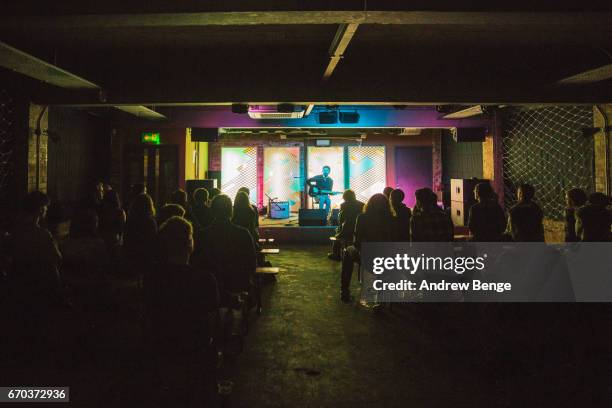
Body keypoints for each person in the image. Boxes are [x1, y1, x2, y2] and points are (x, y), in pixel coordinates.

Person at [144, 216, 219, 406]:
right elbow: (211, 319)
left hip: (161, 345)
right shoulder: (204, 279)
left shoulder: (151, 278)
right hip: (194, 348)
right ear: (190, 243)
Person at [192, 195, 256, 305]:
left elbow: (198, 263)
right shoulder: (243, 234)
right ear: (231, 211)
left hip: (212, 285)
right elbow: (251, 262)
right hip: (239, 282)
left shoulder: (202, 235)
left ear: (212, 211)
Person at [340, 193, 397, 302]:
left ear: (370, 204)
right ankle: (381, 299)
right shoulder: (392, 219)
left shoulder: (362, 217)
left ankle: (344, 291)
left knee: (347, 251)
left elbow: (357, 242)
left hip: (367, 258)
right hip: (388, 258)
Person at [10, 191, 62, 305]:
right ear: (41, 209)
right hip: (39, 282)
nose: (47, 210)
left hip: (17, 281)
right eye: (46, 207)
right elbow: (57, 258)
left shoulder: (15, 231)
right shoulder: (43, 234)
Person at [123, 193, 158, 274]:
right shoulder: (150, 222)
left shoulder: (130, 221)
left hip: (131, 255)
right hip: (146, 257)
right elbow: (153, 240)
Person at [328, 190, 364, 261]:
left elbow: (341, 220)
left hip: (347, 231)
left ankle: (336, 254)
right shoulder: (362, 204)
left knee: (338, 231)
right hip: (360, 230)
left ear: (345, 197)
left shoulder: (344, 205)